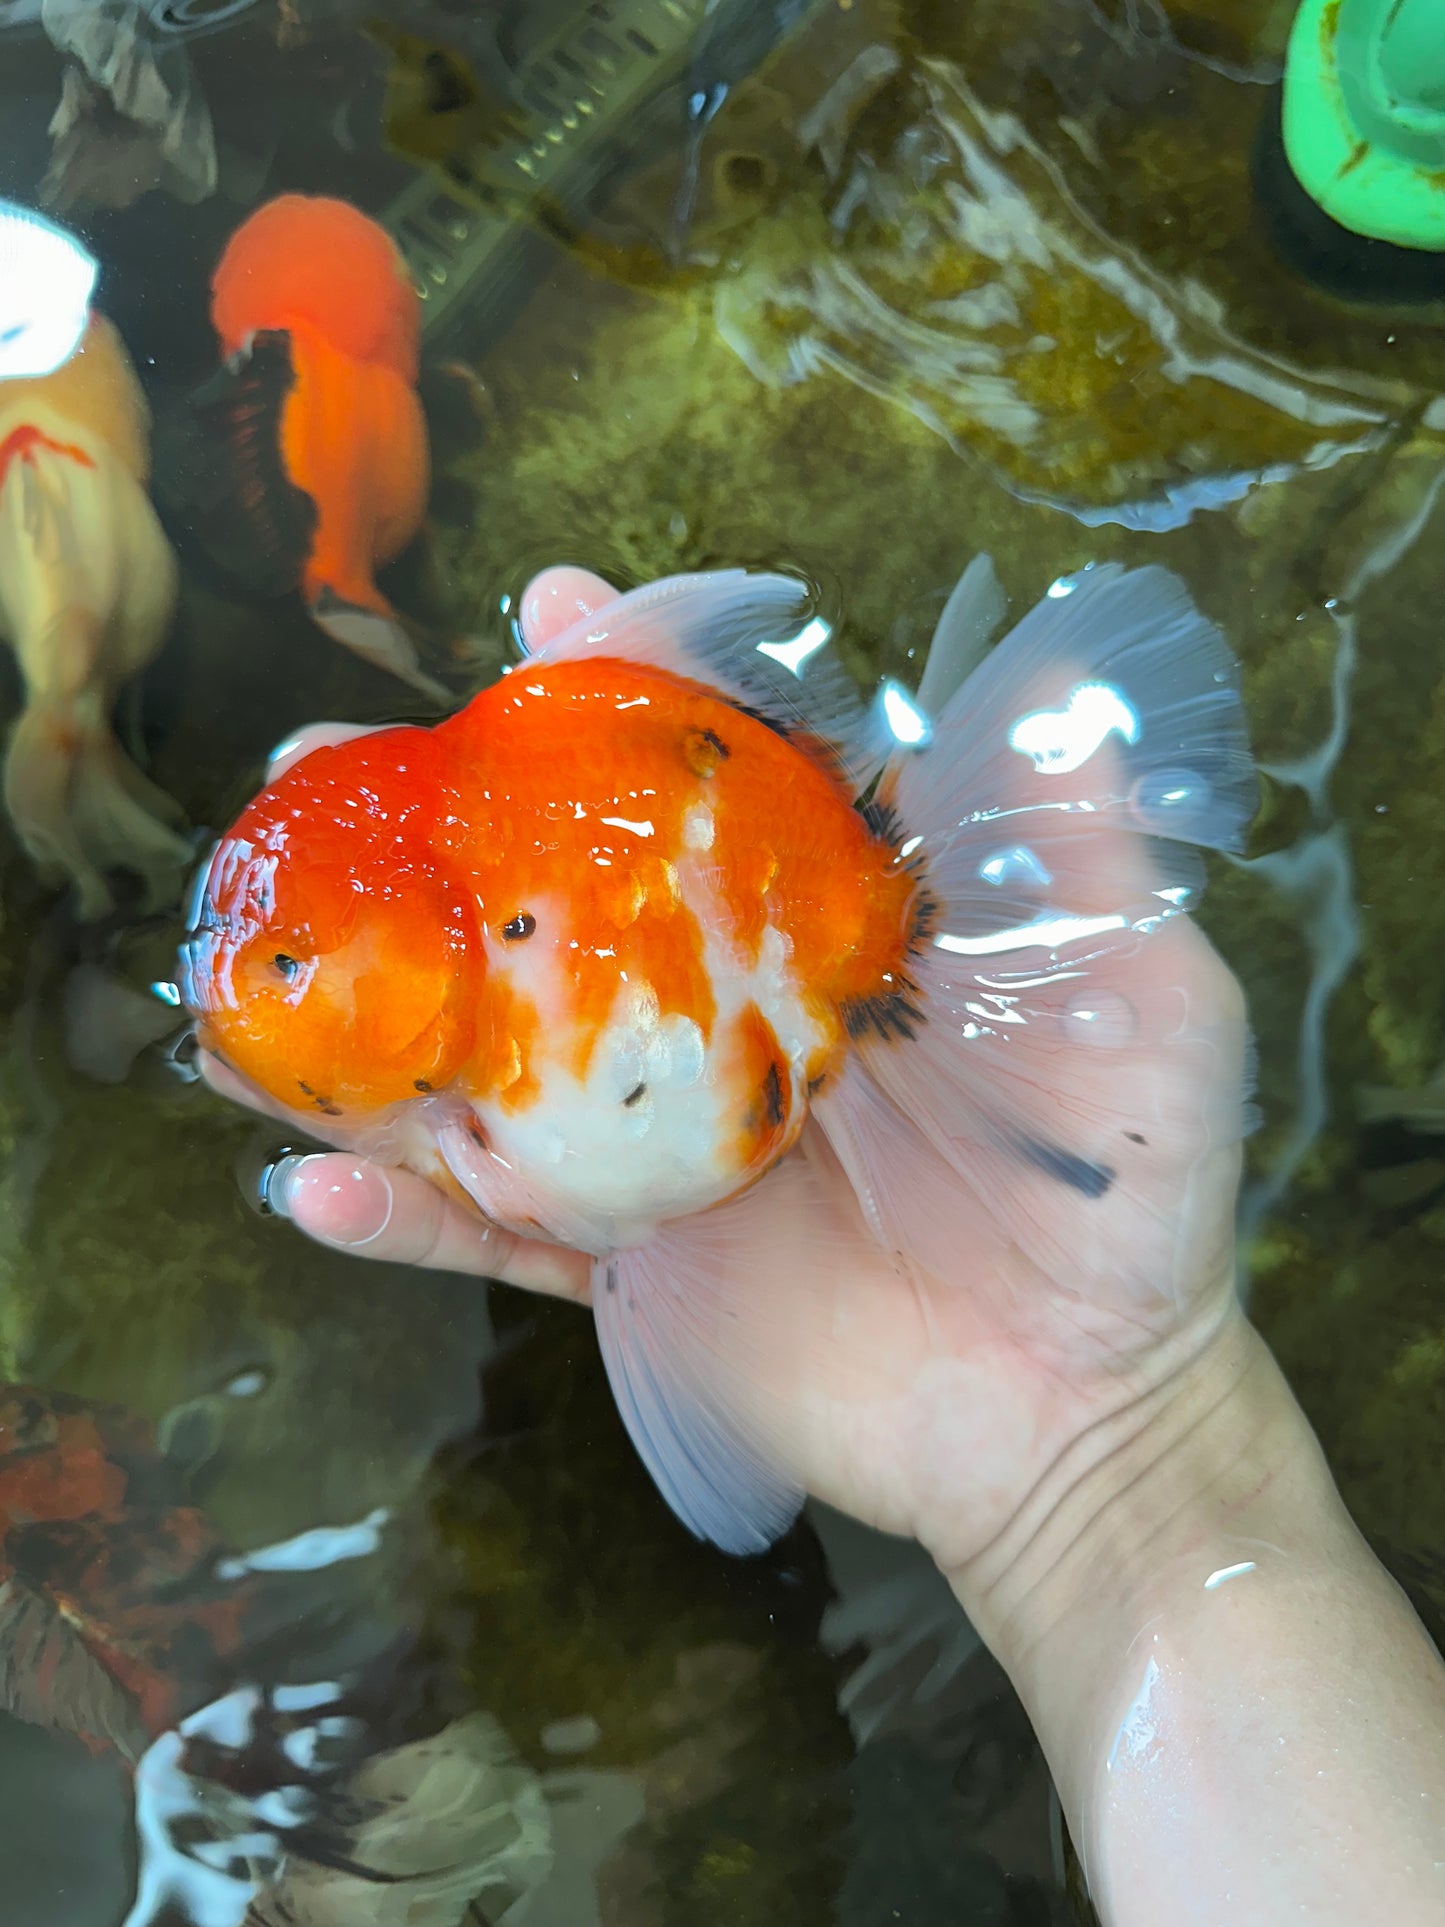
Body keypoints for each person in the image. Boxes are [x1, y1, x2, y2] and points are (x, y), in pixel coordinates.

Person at [201, 572, 1445, 1926]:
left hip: (788, 948)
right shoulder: (463, 1076)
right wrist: (1112, 1459)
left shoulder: (504, 1042)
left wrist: (1118, 1432)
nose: (247, 997)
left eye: (285, 967)